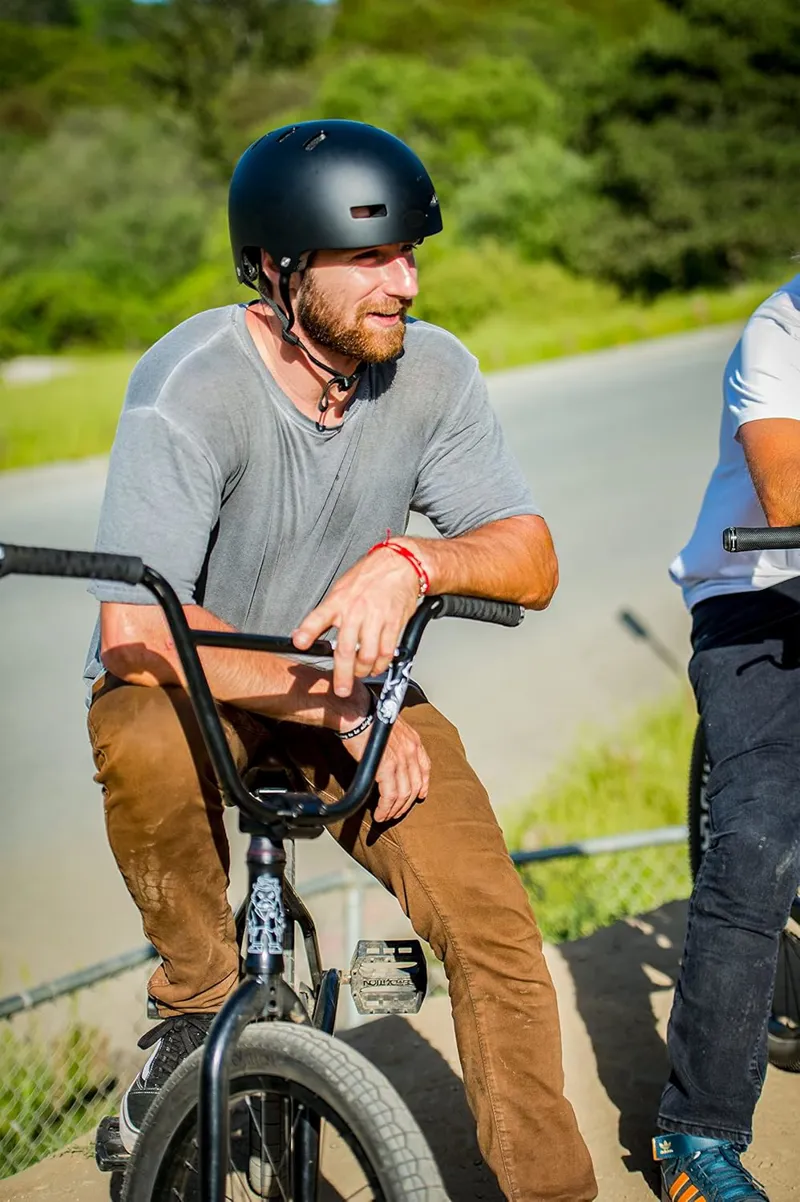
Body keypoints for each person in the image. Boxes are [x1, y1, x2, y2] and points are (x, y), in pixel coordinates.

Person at [84, 119, 596, 1202]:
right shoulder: (191, 387)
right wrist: (342, 705)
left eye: (409, 253)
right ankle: (195, 1011)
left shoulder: (433, 372)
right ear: (279, 270)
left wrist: (414, 559)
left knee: (492, 925)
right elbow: (134, 629)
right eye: (369, 258)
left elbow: (532, 556)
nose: (404, 283)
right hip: (220, 693)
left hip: (364, 690)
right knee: (135, 720)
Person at [660, 276, 800, 1200]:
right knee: (758, 835)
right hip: (758, 594)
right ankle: (694, 1135)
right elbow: (785, 493)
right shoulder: (779, 331)